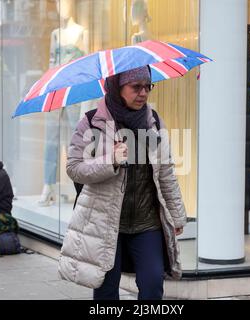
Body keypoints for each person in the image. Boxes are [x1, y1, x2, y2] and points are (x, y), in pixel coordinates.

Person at [58, 66, 187, 300]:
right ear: (118, 88)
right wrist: (111, 161)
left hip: (147, 222)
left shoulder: (154, 122)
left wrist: (177, 215)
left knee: (152, 284)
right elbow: (74, 168)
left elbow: (165, 171)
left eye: (148, 86)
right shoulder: (91, 123)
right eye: (136, 87)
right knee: (106, 289)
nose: (143, 93)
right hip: (106, 223)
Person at [38, 0, 90, 206]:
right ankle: (48, 184)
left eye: (65, 2)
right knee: (51, 138)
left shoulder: (81, 32)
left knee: (75, 138)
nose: (61, 6)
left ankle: (80, 183)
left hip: (74, 90)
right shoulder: (55, 34)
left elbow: (85, 65)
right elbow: (51, 63)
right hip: (57, 90)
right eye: (58, 3)